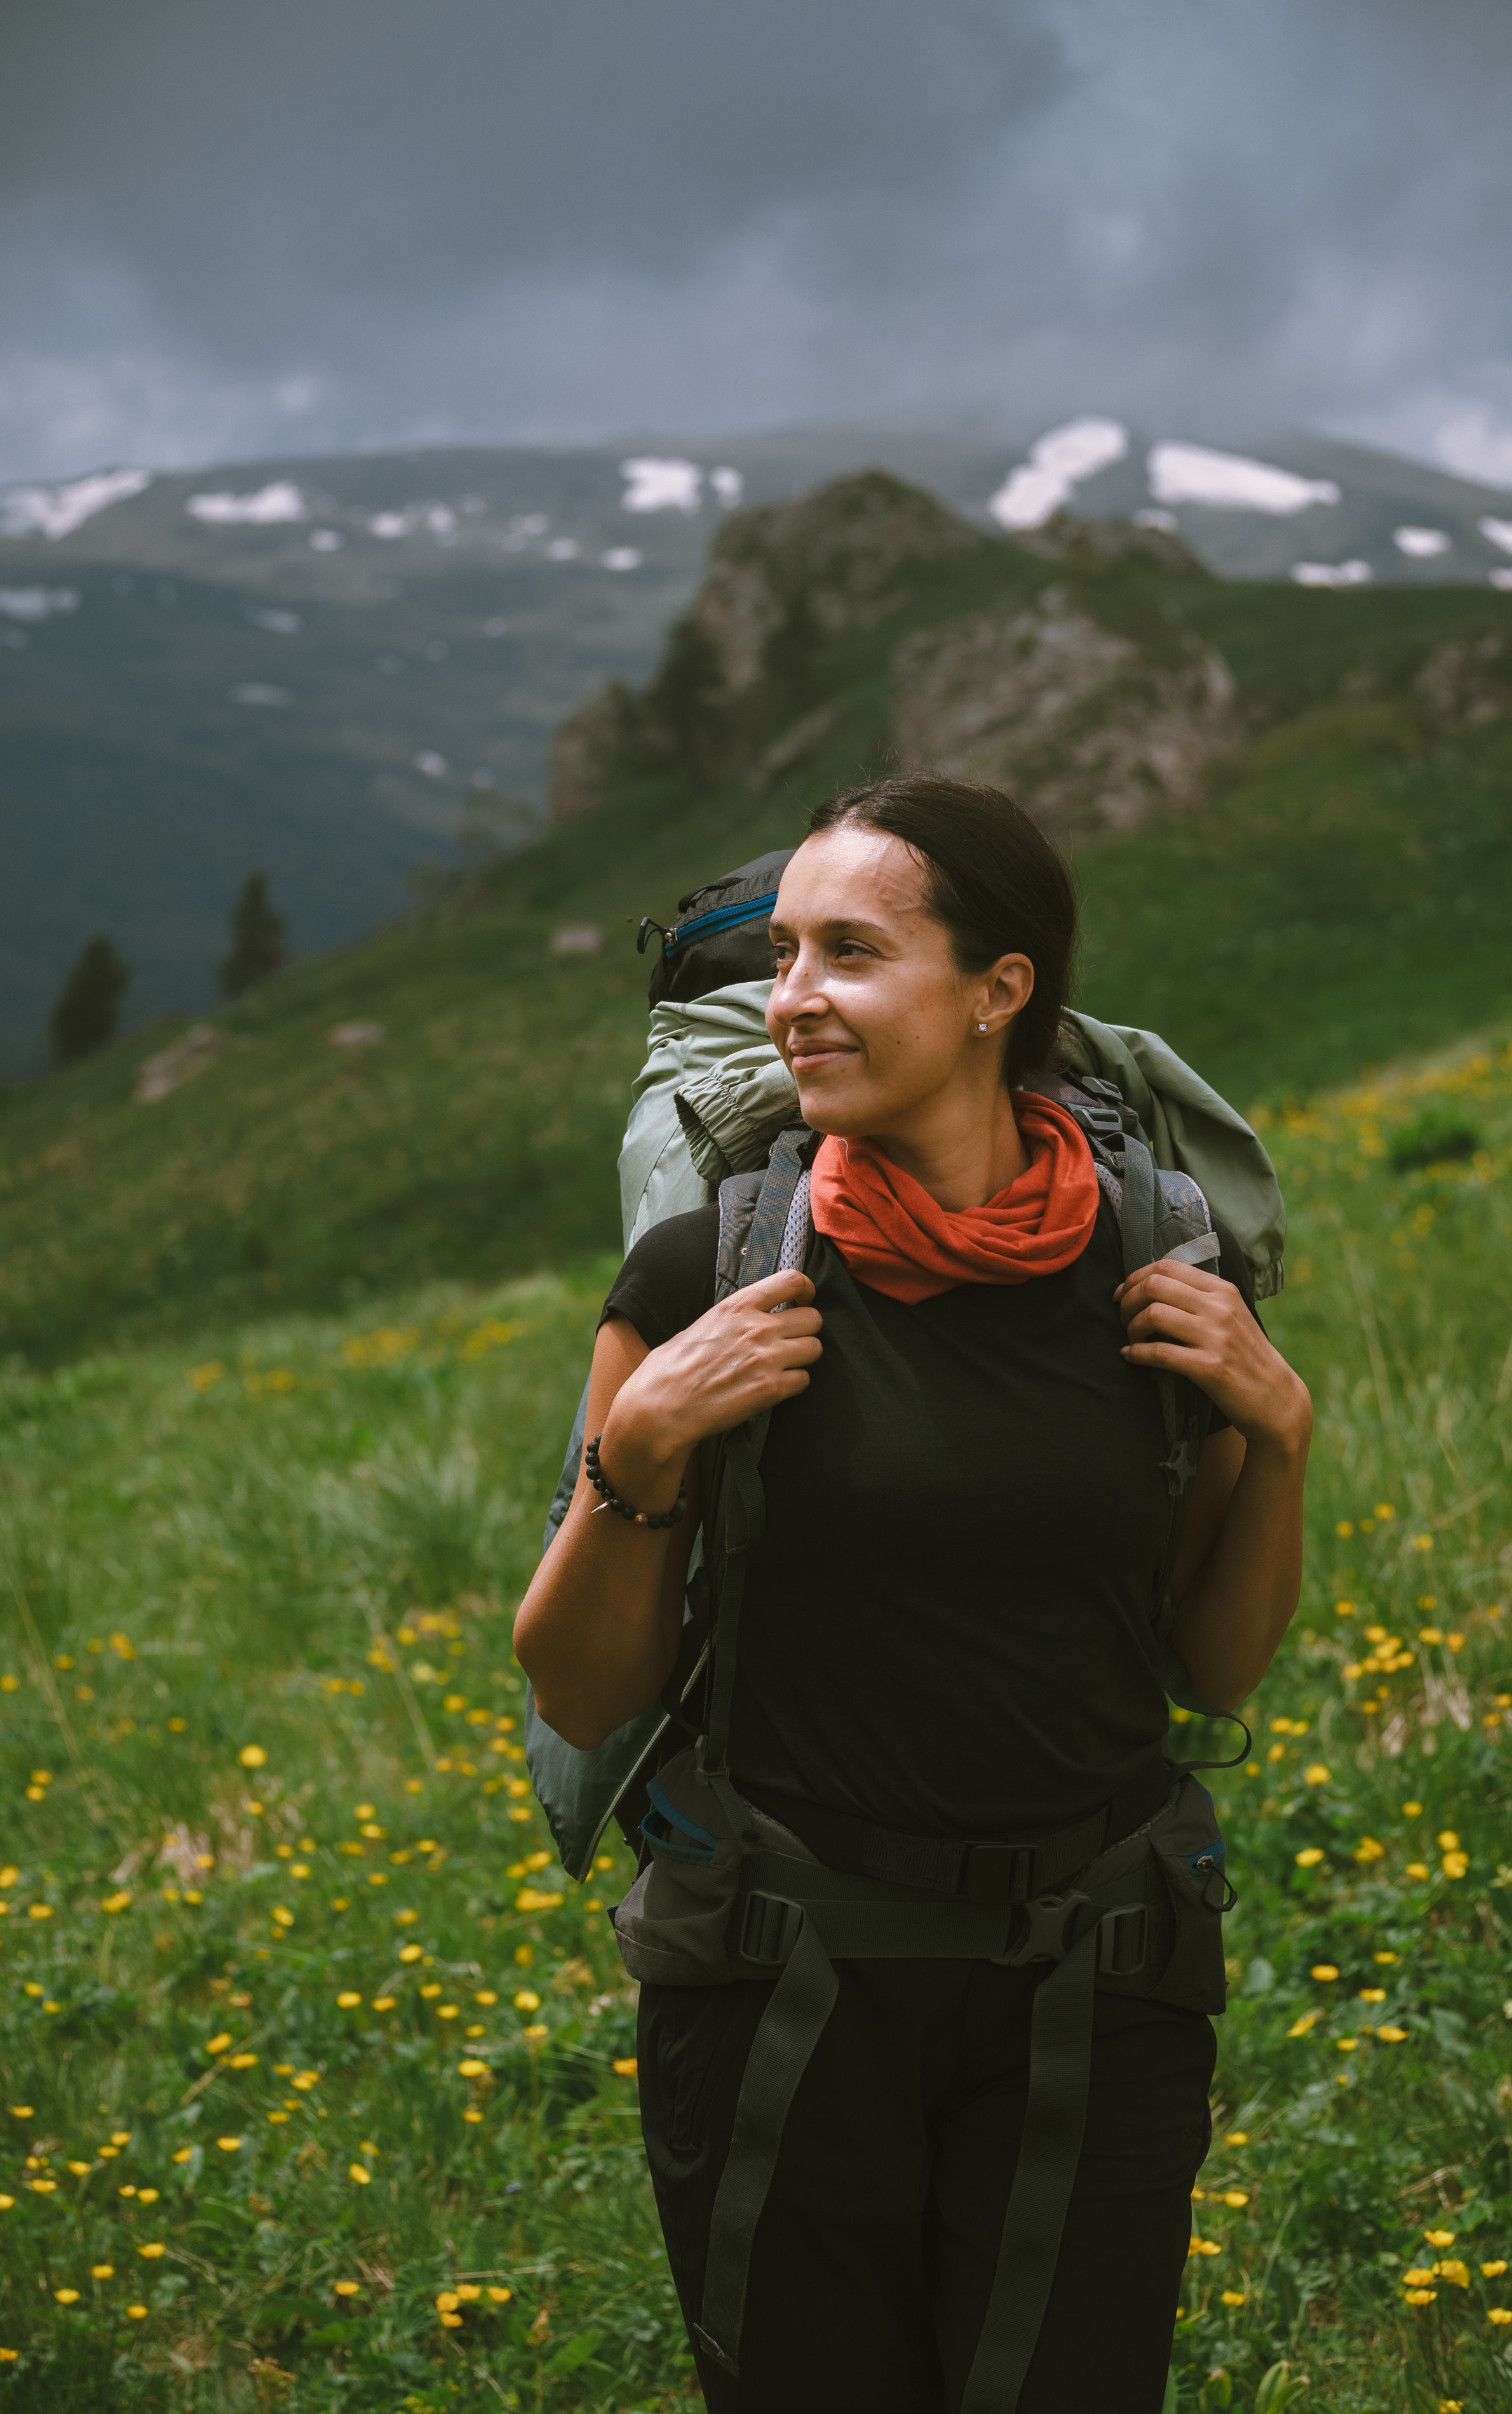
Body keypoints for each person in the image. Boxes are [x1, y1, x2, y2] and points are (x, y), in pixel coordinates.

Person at [514, 776, 1311, 2414]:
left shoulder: (1162, 1274)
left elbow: (1210, 1669)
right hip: (790, 1995)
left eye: (853, 953)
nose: (797, 999)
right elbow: (580, 1692)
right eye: (787, 953)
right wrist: (642, 1445)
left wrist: (1280, 1438)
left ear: (998, 991)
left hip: (1100, 1990)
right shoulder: (704, 1282)